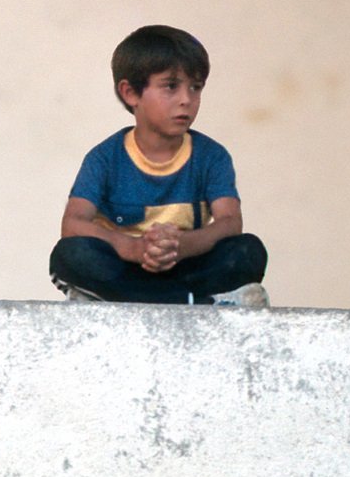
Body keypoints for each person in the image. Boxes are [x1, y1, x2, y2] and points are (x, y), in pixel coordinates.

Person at [49, 25, 268, 305]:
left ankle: (131, 300)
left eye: (196, 87)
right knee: (71, 254)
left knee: (248, 250)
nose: (186, 99)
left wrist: (182, 246)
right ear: (131, 93)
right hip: (124, 268)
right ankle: (190, 302)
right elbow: (73, 223)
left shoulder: (211, 156)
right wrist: (133, 248)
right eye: (170, 86)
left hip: (187, 267)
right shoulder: (105, 158)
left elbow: (229, 223)